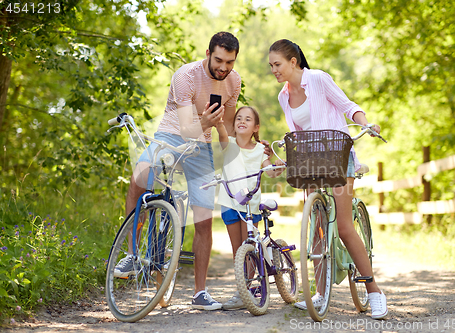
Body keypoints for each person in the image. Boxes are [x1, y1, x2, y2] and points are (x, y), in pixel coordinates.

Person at [114, 32, 242, 311]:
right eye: (219, 60)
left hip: (203, 148)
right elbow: (186, 129)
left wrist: (243, 140)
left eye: (230, 62)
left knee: (204, 219)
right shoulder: (185, 75)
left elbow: (229, 127)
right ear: (208, 53)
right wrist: (206, 122)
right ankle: (132, 255)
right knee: (140, 175)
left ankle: (199, 293)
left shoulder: (234, 81)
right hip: (171, 137)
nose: (223, 67)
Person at [268, 39, 388, 319]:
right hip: (309, 160)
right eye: (271, 66)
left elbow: (348, 107)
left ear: (293, 62)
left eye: (277, 64)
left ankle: (374, 291)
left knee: (344, 227)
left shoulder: (319, 80)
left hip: (337, 154)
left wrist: (365, 123)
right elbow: (297, 133)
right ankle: (320, 292)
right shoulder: (283, 96)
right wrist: (284, 160)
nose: (273, 70)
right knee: (317, 227)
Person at [214, 106, 284, 310]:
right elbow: (221, 133)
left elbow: (272, 172)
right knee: (238, 252)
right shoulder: (229, 143)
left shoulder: (261, 150)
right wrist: (219, 122)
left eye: (247, 119)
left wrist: (278, 162)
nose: (242, 121)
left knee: (250, 249)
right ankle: (244, 289)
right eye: (238, 118)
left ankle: (243, 291)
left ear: (256, 127)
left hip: (250, 207)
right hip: (229, 203)